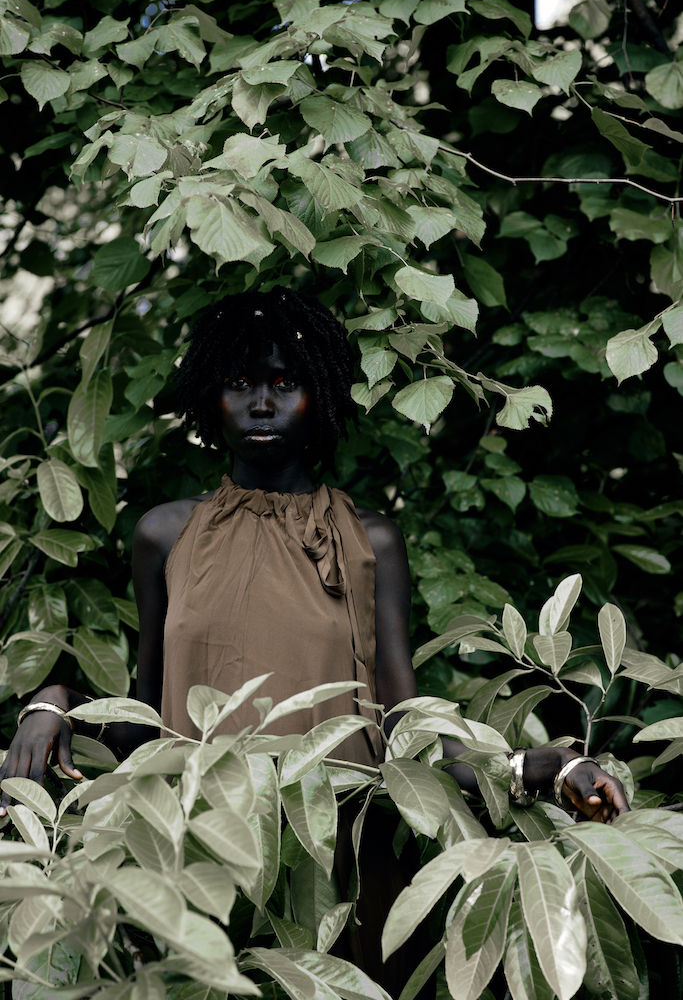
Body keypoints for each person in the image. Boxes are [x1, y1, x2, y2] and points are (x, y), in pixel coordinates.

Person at [0, 288, 629, 986]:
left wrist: (536, 767)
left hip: (343, 869)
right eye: (239, 385)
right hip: (202, 862)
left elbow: (403, 730)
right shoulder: (163, 533)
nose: (260, 404)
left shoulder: (370, 540)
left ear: (319, 396)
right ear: (211, 397)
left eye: (284, 383)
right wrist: (54, 702)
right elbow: (146, 724)